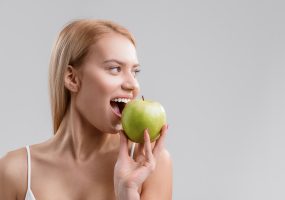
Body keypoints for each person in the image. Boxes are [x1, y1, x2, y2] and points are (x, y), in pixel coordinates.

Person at [0, 19, 172, 200]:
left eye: (134, 71)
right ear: (72, 78)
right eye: (115, 69)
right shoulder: (15, 172)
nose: (133, 84)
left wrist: (128, 192)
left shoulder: (149, 164)